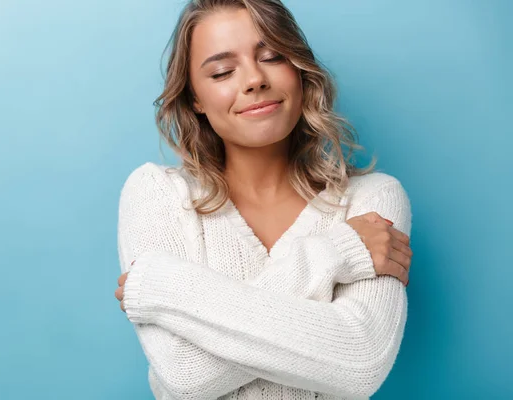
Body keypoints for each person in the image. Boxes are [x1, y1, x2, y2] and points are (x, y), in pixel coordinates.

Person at [114, 0, 413, 399]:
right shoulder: (157, 193)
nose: (254, 79)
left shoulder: (373, 200)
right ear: (195, 99)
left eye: (272, 56)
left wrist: (165, 289)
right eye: (222, 71)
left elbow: (360, 360)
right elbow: (185, 374)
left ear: (301, 72)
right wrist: (339, 250)